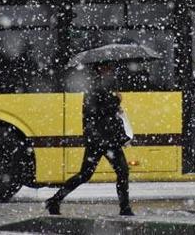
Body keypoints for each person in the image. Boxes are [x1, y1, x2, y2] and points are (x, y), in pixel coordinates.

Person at [46, 63, 133, 216]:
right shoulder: (95, 85)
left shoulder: (101, 84)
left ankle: (55, 200)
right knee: (119, 172)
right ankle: (124, 208)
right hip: (102, 139)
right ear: (100, 68)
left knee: (89, 174)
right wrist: (116, 101)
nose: (110, 69)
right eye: (108, 67)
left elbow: (101, 111)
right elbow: (97, 110)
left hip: (103, 138)